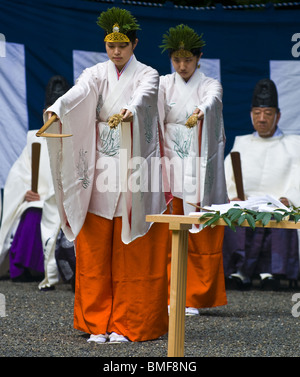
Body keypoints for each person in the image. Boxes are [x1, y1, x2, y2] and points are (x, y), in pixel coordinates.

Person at [43, 7, 170, 343]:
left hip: (134, 168)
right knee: (96, 251)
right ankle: (97, 321)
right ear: (106, 44)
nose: (116, 51)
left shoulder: (149, 74)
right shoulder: (95, 72)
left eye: (123, 45)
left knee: (133, 255)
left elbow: (146, 97)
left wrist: (134, 109)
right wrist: (58, 107)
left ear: (134, 44)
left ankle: (130, 321)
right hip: (100, 167)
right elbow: (80, 94)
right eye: (111, 45)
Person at [158, 24, 228, 315]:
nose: (183, 65)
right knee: (170, 231)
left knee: (199, 231)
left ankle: (195, 296)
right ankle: (169, 292)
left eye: (188, 59)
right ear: (171, 60)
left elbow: (213, 99)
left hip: (198, 160)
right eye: (177, 60)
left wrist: (202, 111)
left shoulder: (209, 84)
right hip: (170, 159)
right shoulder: (162, 83)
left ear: (199, 58)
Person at [223, 78, 300, 290]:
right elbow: (226, 175)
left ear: (278, 116)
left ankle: (273, 273)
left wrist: (290, 198)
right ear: (251, 115)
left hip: (278, 204)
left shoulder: (294, 145)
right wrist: (234, 197)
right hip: (247, 204)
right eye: (257, 113)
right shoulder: (242, 143)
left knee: (281, 214)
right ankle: (237, 272)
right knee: (234, 213)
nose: (262, 119)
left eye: (267, 114)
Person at [0, 75, 75, 291]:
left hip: (67, 201)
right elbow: (19, 173)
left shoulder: (78, 137)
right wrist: (25, 191)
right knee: (33, 213)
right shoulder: (35, 138)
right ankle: (29, 269)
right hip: (40, 199)